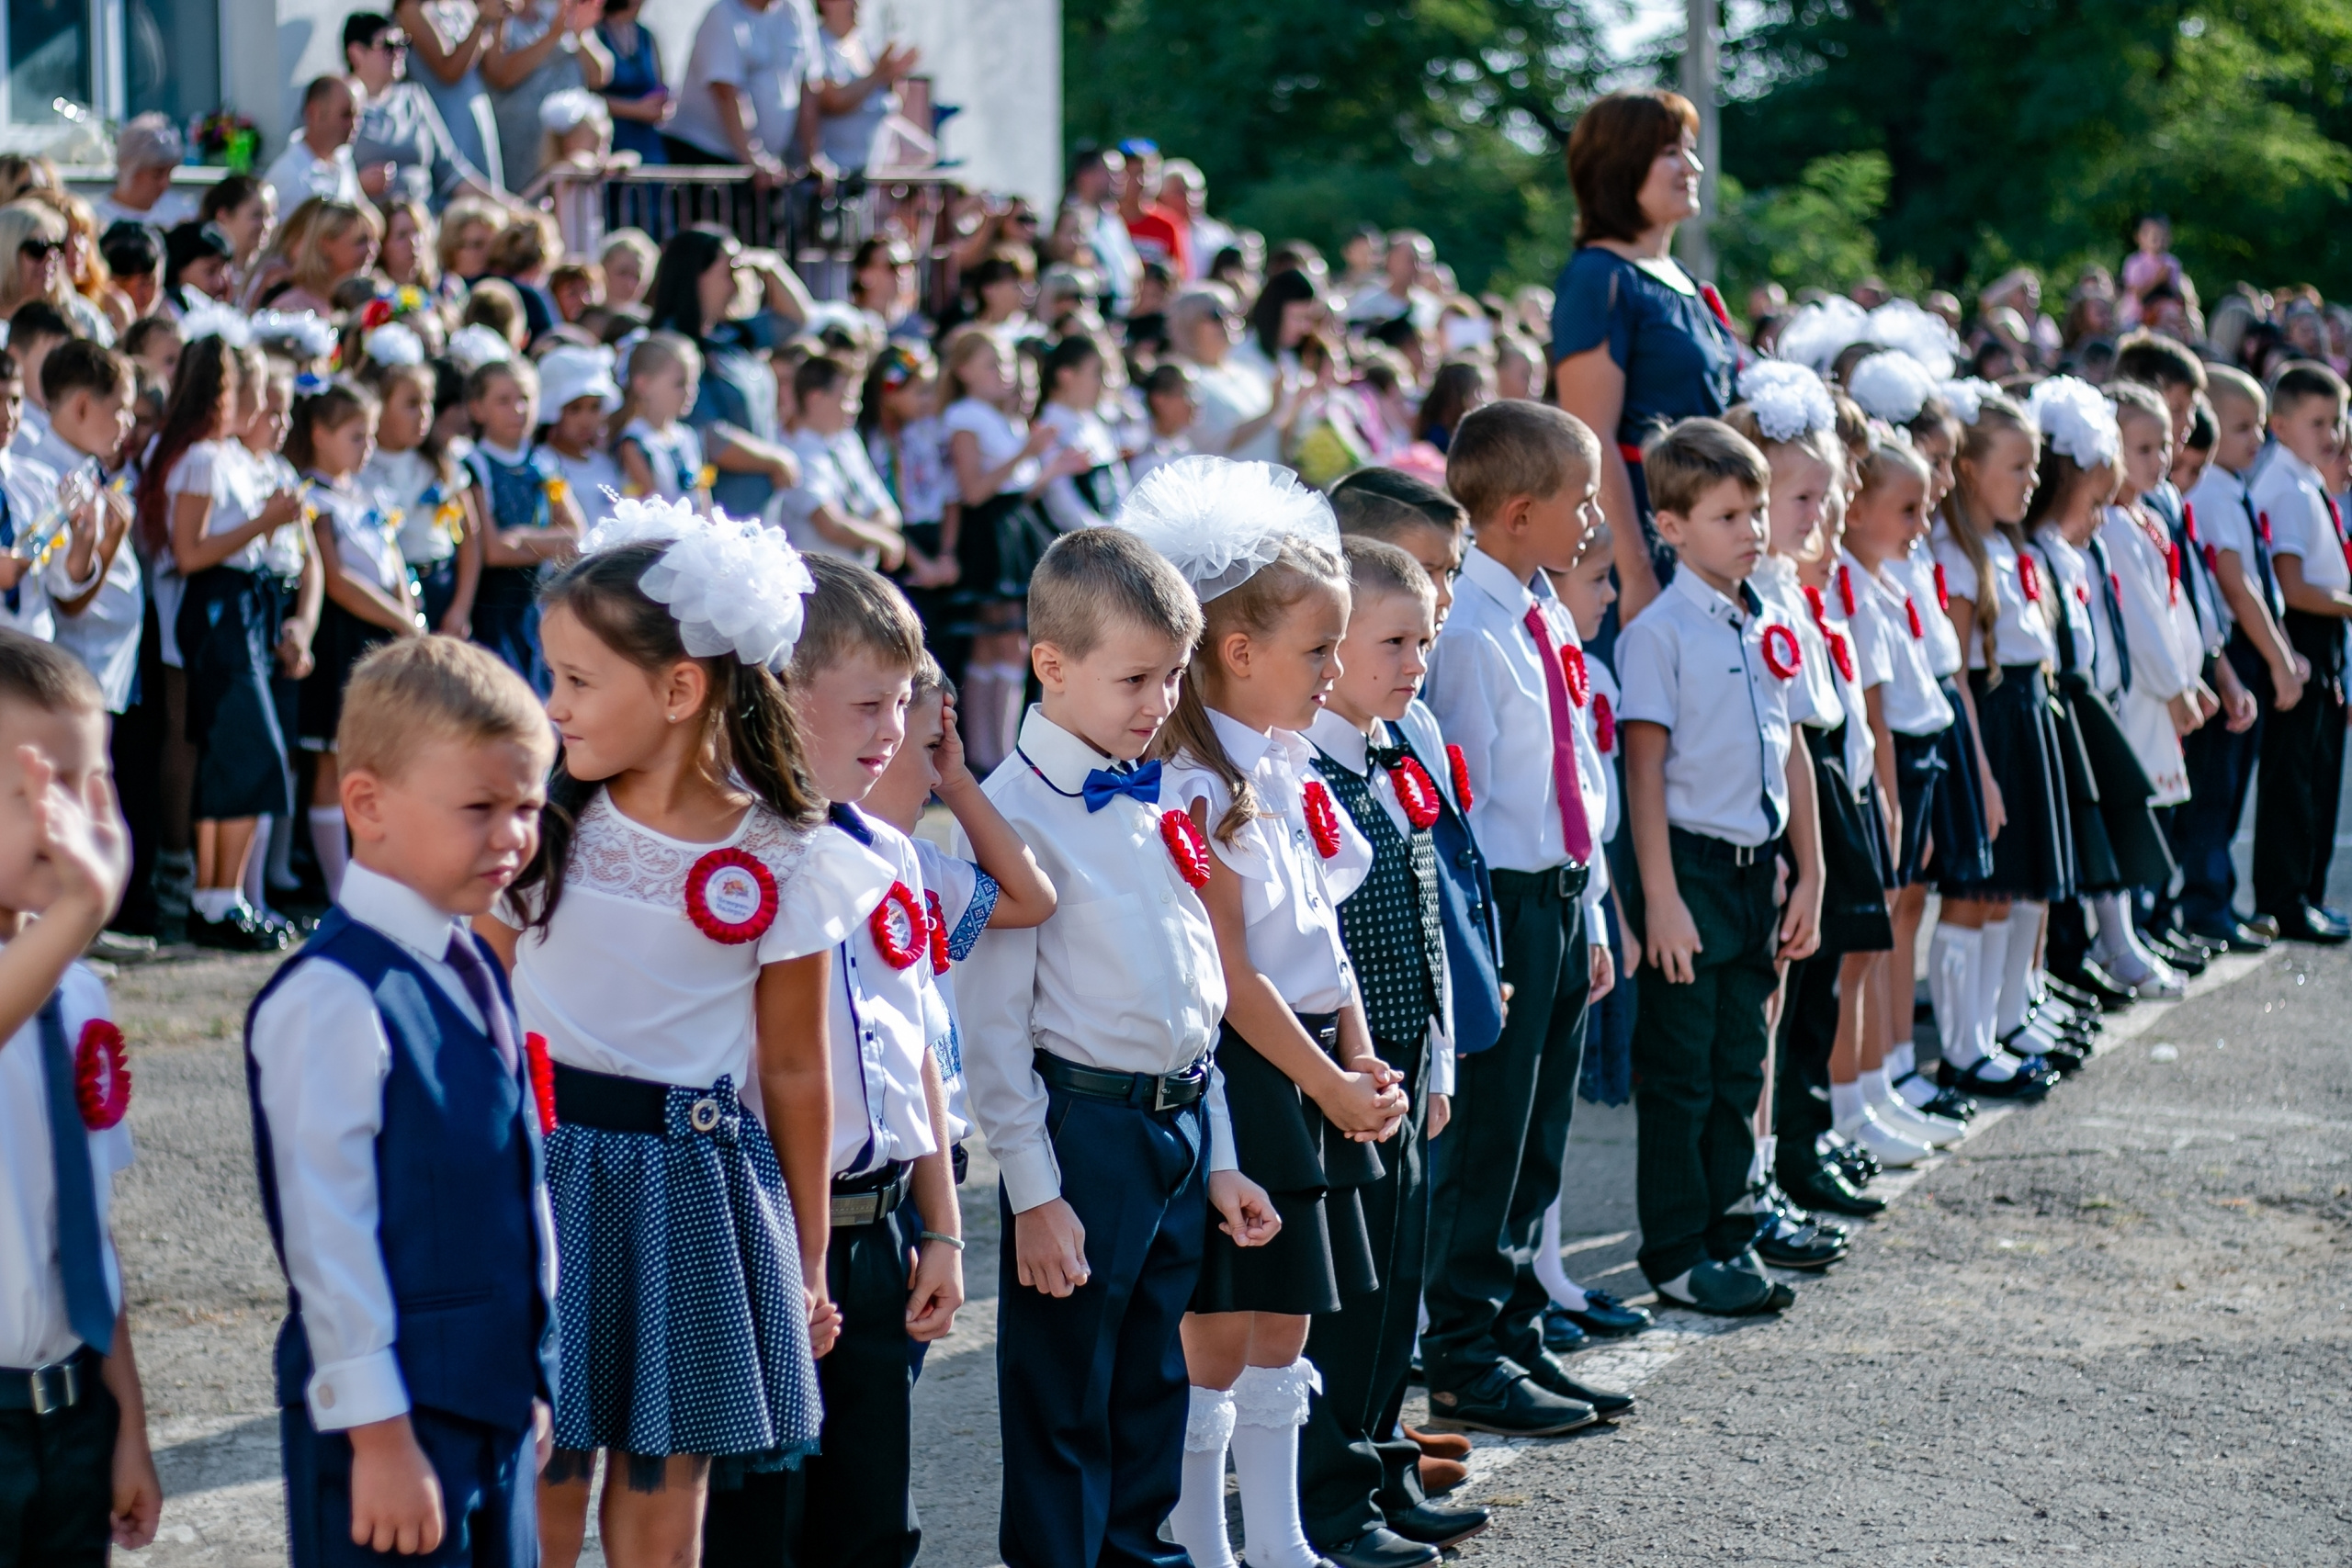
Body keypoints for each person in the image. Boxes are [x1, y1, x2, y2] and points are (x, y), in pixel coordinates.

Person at [480, 501, 889, 1566]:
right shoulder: (540, 823)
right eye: (551, 676)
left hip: (691, 1192)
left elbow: (795, 1070)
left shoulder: (790, 853)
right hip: (543, 1173)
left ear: (678, 688)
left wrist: (806, 1258)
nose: (553, 704)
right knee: (546, 1479)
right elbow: (474, 994)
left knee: (664, 1506)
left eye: (577, 680)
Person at [957, 523, 1276, 1568]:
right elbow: (994, 1032)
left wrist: (1219, 1154)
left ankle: (1145, 1556)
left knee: (1150, 1388)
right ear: (1049, 666)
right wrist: (1036, 1195)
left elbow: (1194, 997)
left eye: (1173, 677)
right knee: (1065, 1400)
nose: (1158, 704)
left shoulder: (1153, 788)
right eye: (1136, 679)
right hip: (1083, 1133)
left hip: (1176, 1127)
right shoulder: (1009, 820)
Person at [1121, 461, 1397, 1568]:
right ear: (1237, 654)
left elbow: (1324, 937)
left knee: (1288, 1321)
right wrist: (1326, 1079)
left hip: (1314, 1061)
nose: (1332, 674)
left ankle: (1279, 1538)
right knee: (1220, 1335)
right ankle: (1206, 1542)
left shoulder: (1283, 764)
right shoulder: (1194, 783)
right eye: (1317, 652)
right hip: (1248, 1069)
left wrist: (1359, 1052)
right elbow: (1232, 974)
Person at [245, 637, 556, 1566]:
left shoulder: (466, 962)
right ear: (368, 805)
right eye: (480, 807)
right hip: (395, 1427)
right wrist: (376, 1435)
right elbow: (326, 1231)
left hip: (489, 1402)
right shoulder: (332, 995)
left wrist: (528, 1374)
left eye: (530, 807)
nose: (512, 834)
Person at [700, 558, 967, 1568]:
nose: (892, 731)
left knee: (869, 1520)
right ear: (776, 694)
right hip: (760, 1232)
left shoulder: (888, 854)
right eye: (866, 704)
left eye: (903, 702)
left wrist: (938, 1224)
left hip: (877, 1230)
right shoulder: (729, 867)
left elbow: (918, 1059)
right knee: (759, 1520)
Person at [1417, 403, 1632, 1424]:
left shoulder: (1542, 607)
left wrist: (1588, 912)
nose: (1593, 518)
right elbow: (1463, 801)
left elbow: (1574, 779)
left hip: (1553, 895)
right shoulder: (1466, 630)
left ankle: (1512, 1327)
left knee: (1540, 1134)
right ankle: (1459, 1346)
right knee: (1489, 1138)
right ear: (1513, 513)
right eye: (1578, 500)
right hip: (1499, 903)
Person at [1297, 537, 1495, 1566]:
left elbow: (1430, 907)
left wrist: (1444, 1058)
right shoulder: (1305, 768)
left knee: (1394, 1290)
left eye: (1425, 637)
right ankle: (1329, 1499)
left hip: (1410, 1055)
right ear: (1329, 652)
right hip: (1342, 1073)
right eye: (1392, 640)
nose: (1416, 658)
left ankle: (1382, 1465)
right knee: (1348, 1297)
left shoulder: (1395, 742)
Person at [1615, 417, 1822, 1314]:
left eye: (1754, 512)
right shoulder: (1658, 633)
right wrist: (1658, 899)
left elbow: (1791, 750)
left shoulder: (1762, 615)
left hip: (1755, 869)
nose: (1750, 530)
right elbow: (1644, 772)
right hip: (1689, 872)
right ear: (1669, 527)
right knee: (1683, 1071)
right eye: (1728, 515)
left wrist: (1807, 869)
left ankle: (1729, 1233)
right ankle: (1675, 1250)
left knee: (1742, 1062)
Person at [0, 631, 163, 1561]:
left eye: (92, 781)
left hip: (70, 1417)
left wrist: (127, 1422)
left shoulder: (78, 991)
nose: (78, 817)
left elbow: (87, 1231)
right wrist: (77, 916)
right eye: (41, 786)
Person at [1550, 90, 1739, 627]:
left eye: (1690, 150)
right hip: (1649, 546)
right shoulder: (1598, 279)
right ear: (1620, 165)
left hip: (1712, 541)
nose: (1692, 167)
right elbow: (1593, 436)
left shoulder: (1691, 284)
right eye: (1670, 152)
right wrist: (1635, 575)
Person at [1928, 389, 2069, 1097]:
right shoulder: (1956, 555)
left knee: (2011, 891)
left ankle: (1994, 1030)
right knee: (1976, 892)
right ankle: (1962, 1049)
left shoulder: (2010, 546)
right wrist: (1978, 769)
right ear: (1971, 470)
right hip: (1987, 727)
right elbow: (1955, 669)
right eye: (2017, 467)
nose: (2031, 481)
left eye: (2035, 467)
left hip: (2023, 715)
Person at [2177, 365, 2301, 947]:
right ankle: (2206, 907)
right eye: (2244, 427)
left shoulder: (2232, 487)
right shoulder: (2213, 491)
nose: (2257, 440)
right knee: (2214, 790)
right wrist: (2276, 656)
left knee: (2228, 790)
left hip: (2244, 649)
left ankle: (2215, 904)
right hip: (2233, 651)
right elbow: (2234, 581)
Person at [290, 381, 422, 905]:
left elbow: (392, 563)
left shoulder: (366, 494)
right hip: (345, 634)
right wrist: (402, 620)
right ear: (319, 434)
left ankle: (379, 873)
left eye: (369, 437)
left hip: (386, 631)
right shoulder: (314, 496)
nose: (366, 448)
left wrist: (407, 611)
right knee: (332, 759)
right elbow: (338, 578)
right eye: (354, 436)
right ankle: (339, 885)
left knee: (378, 757)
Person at [2247, 359, 2352, 943]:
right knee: (2296, 780)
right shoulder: (2285, 486)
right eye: (2318, 422)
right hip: (2303, 636)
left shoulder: (2307, 479)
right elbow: (2290, 587)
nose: (2332, 435)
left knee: (2318, 775)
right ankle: (2287, 900)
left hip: (2323, 634)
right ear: (2280, 426)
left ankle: (2306, 894)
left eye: (2336, 421)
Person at [645, 225, 813, 524]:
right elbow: (707, 433)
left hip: (760, 510)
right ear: (697, 275)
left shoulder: (732, 335)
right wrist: (775, 458)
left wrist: (771, 267)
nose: (737, 283)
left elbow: (797, 319)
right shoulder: (673, 345)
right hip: (719, 513)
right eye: (729, 272)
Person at [462, 355, 583, 684]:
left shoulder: (544, 463)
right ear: (477, 408)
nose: (517, 409)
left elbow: (576, 536)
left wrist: (519, 537)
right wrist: (546, 542)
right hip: (491, 608)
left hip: (535, 605)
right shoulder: (473, 465)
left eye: (525, 399)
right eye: (503, 401)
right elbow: (494, 550)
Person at [360, 351, 483, 635]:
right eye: (412, 404)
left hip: (441, 586)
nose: (424, 415)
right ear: (380, 407)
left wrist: (461, 608)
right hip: (390, 594)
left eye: (429, 403)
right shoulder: (362, 468)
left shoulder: (441, 464)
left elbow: (470, 538)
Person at [345, 12, 504, 211]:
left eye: (403, 45)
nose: (399, 53)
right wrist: (356, 185)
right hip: (370, 230)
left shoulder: (414, 97)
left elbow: (451, 172)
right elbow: (319, 173)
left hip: (424, 226)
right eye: (388, 46)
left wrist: (507, 205)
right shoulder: (340, 103)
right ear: (356, 53)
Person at [667, 0, 823, 181]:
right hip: (709, 163)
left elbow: (809, 85)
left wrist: (812, 157)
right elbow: (727, 94)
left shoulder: (797, 10)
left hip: (763, 167)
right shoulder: (723, 14)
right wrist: (753, 158)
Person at [777, 355, 905, 568]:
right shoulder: (795, 452)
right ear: (815, 398)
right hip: (822, 581)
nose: (855, 407)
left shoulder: (847, 442)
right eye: (847, 398)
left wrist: (870, 533)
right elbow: (830, 525)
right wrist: (881, 539)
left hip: (860, 574)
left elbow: (887, 510)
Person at [485, 0, 614, 193]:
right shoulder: (500, 15)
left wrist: (579, 34)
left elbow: (600, 75)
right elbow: (500, 76)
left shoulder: (562, 13)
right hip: (521, 155)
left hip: (567, 153)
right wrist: (554, 34)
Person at [397, 0, 508, 188]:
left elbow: (495, 68)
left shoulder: (464, 5)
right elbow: (449, 71)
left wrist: (500, 15)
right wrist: (484, 19)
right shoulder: (411, 9)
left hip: (477, 120)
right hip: (447, 125)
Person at [812, 0, 918, 175]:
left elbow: (891, 100)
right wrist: (877, 75)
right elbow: (833, 100)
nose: (857, 4)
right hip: (838, 179)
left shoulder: (864, 43)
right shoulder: (817, 45)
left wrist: (894, 74)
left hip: (874, 173)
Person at [263, 77, 374, 217]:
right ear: (314, 113)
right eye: (346, 115)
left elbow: (366, 214)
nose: (355, 125)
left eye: (359, 116)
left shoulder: (343, 157)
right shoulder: (288, 176)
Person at [596, 0, 673, 164]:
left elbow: (660, 85)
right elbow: (587, 96)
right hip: (610, 140)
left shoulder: (646, 36)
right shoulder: (595, 33)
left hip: (648, 143)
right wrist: (635, 109)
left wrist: (661, 104)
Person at [90, 114, 194, 232]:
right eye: (157, 174)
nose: (165, 183)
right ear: (130, 169)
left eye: (169, 173)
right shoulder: (95, 219)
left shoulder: (182, 213)